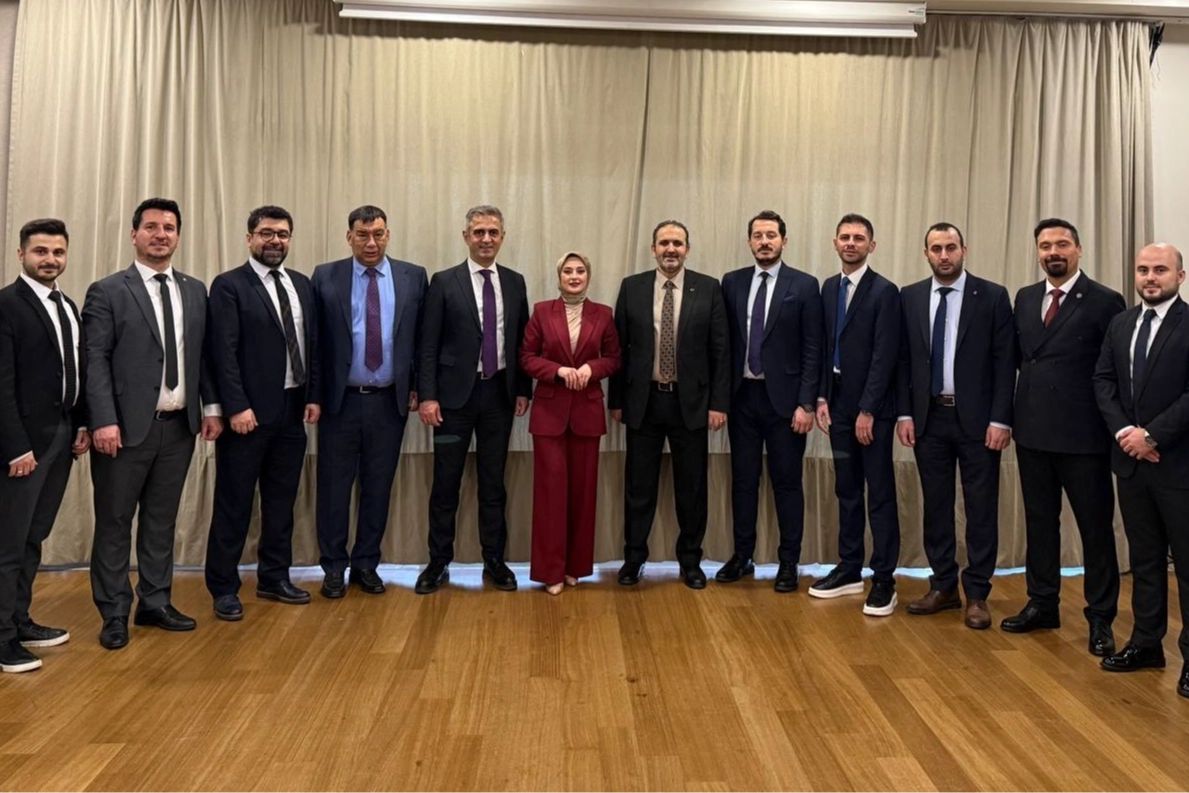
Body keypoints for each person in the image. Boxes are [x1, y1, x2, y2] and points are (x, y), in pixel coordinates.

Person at [84, 198, 223, 650]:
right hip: (123, 431)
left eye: (169, 227)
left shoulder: (194, 290)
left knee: (162, 521)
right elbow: (95, 360)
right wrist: (103, 420)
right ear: (134, 235)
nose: (160, 234)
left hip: (178, 428)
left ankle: (155, 601)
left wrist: (211, 408)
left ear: (178, 236)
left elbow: (203, 356)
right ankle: (114, 612)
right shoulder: (108, 291)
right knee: (114, 522)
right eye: (151, 227)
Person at [1002, 218, 1125, 656]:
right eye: (1045, 245)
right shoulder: (1025, 297)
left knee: (1095, 529)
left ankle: (1101, 617)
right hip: (1032, 432)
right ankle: (1042, 603)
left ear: (1079, 249)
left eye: (1062, 244)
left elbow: (1113, 370)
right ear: (1037, 252)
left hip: (1084, 437)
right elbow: (1017, 362)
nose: (1053, 252)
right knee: (1040, 524)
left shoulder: (1106, 301)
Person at [204, 206, 321, 620]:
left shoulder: (302, 284)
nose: (275, 241)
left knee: (281, 501)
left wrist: (313, 396)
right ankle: (223, 587)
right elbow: (222, 352)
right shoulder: (229, 285)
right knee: (234, 504)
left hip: (292, 410)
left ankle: (274, 577)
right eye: (267, 233)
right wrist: (235, 406)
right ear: (250, 238)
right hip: (247, 416)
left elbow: (313, 345)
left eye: (283, 234)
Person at [896, 222, 1014, 630]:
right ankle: (943, 585)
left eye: (950, 247)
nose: (943, 255)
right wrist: (905, 414)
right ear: (926, 253)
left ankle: (977, 593)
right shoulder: (910, 297)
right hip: (928, 419)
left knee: (980, 508)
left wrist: (1001, 418)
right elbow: (903, 361)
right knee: (936, 506)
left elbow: (1005, 363)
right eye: (936, 248)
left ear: (964, 249)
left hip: (979, 422)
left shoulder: (992, 296)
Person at [310, 205, 426, 598]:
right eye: (362, 235)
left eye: (378, 234)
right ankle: (333, 566)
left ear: (388, 234)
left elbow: (421, 340)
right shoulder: (325, 276)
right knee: (334, 488)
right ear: (349, 237)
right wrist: (314, 396)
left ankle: (366, 564)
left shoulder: (413, 276)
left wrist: (417, 387)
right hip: (340, 402)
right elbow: (315, 343)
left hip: (388, 402)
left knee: (378, 486)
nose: (371, 242)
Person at [415, 205, 531, 595]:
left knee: (493, 482)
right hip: (452, 403)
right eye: (478, 232)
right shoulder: (444, 281)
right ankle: (438, 561)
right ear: (466, 236)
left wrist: (523, 389)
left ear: (502, 237)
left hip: (498, 397)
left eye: (493, 232)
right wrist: (428, 396)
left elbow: (521, 341)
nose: (486, 239)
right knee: (446, 482)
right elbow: (427, 345)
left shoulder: (514, 282)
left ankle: (494, 560)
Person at [609, 220, 730, 588]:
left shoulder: (708, 288)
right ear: (653, 249)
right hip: (643, 403)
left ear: (687, 249)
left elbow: (720, 350)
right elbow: (619, 349)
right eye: (664, 243)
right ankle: (634, 559)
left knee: (691, 488)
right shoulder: (632, 287)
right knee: (639, 487)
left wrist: (718, 403)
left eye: (677, 243)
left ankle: (690, 561)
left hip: (690, 404)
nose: (671, 249)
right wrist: (617, 400)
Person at [1093, 243, 1189, 700]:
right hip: (1130, 463)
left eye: (1160, 270)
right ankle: (1147, 644)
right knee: (1146, 561)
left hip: (1178, 464)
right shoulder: (1122, 323)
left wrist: (1152, 436)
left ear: (1180, 276)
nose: (1150, 277)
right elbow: (1103, 381)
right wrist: (1125, 434)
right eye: (1143, 270)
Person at [0, 219, 90, 673]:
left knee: (33, 537)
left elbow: (75, 369)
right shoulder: (6, 305)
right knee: (7, 545)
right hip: (23, 447)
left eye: (57, 252)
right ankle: (2, 639)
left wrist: (82, 422)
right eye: (40, 251)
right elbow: (1, 385)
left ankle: (19, 620)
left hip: (61, 437)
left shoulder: (67, 305)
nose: (50, 259)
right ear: (21, 255)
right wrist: (15, 447)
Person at [718, 210, 821, 593]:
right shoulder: (732, 282)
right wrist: (720, 399)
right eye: (758, 235)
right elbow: (724, 345)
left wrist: (806, 403)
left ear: (784, 241)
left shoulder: (804, 285)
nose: (764, 241)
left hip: (787, 404)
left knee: (787, 483)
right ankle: (742, 555)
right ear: (749, 241)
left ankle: (788, 561)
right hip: (742, 398)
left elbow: (813, 348)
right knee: (744, 482)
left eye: (771, 235)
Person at [811, 214, 901, 614]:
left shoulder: (885, 291)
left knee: (879, 493)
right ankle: (849, 569)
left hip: (871, 412)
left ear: (871, 246)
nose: (851, 243)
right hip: (838, 407)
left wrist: (869, 409)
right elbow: (823, 346)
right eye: (845, 237)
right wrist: (821, 397)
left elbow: (885, 355)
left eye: (859, 238)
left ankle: (884, 579)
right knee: (846, 489)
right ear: (835, 243)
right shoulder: (829, 287)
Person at [519, 252, 620, 594]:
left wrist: (592, 368)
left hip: (587, 415)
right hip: (549, 415)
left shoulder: (603, 314)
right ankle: (551, 571)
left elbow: (614, 358)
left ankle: (575, 567)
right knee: (550, 495)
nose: (574, 276)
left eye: (580, 271)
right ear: (559, 276)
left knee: (582, 494)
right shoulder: (541, 311)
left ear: (588, 276)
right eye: (567, 271)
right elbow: (526, 358)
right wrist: (558, 371)